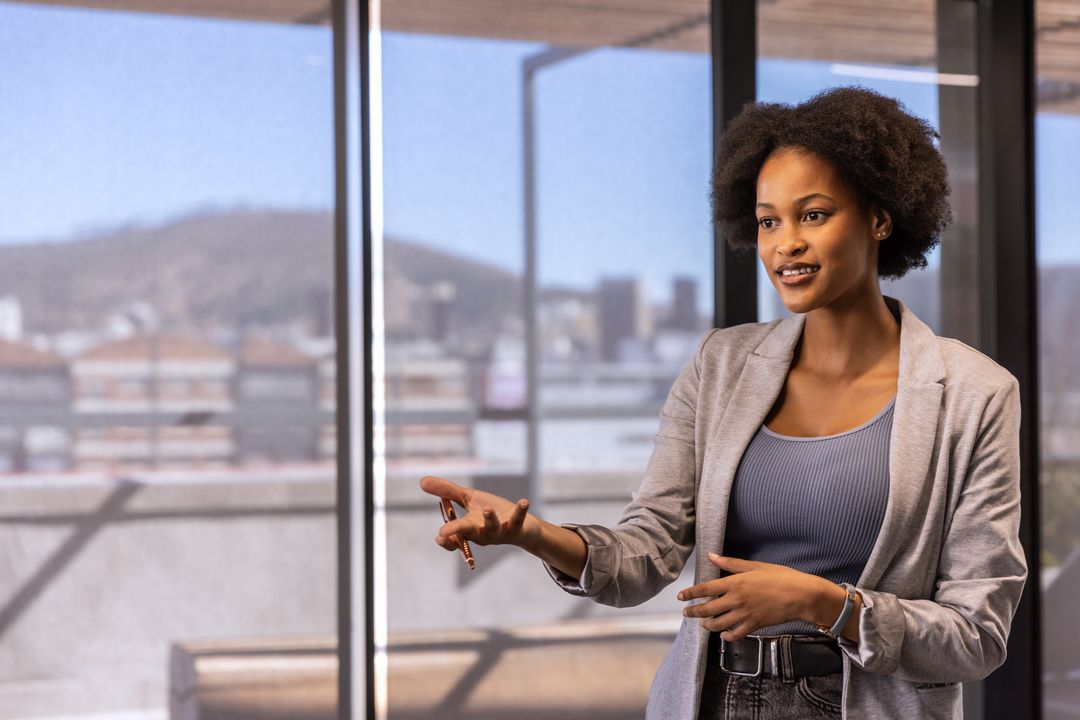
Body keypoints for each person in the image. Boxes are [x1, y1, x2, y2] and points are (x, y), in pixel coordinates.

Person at [419, 85, 1026, 720]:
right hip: (715, 698)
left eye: (813, 215)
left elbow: (975, 636)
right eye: (769, 221)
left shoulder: (974, 394)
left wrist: (824, 604)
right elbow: (647, 552)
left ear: (880, 217)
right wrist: (533, 534)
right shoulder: (722, 365)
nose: (784, 243)